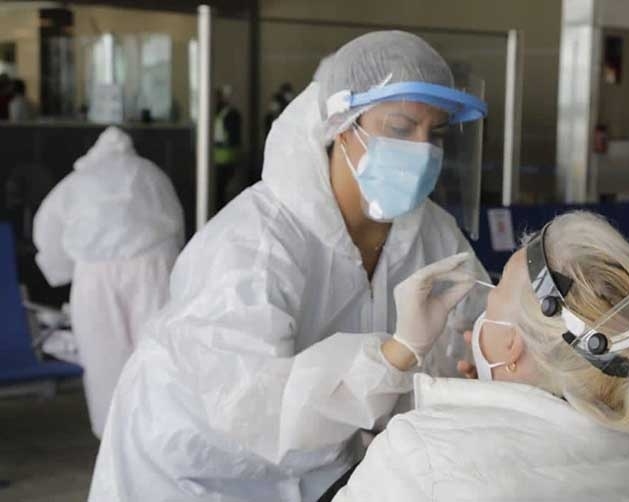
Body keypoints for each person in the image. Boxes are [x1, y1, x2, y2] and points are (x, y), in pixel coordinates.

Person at [88, 30, 489, 502]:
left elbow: (477, 325)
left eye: (435, 133)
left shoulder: (430, 231)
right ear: (343, 125)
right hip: (191, 469)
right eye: (401, 128)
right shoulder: (254, 242)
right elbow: (255, 412)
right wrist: (395, 355)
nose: (422, 150)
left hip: (318, 470)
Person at [334, 211, 629, 501]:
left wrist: (404, 362)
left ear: (510, 347)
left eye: (495, 293)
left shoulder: (421, 452)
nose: (483, 309)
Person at [33, 126, 185, 438]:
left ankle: (112, 437)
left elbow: (47, 228)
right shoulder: (151, 174)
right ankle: (160, 437)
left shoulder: (78, 181)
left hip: (96, 274)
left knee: (104, 358)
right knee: (157, 353)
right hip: (153, 267)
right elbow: (175, 221)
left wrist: (61, 269)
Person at [214, 84, 242, 208]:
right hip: (220, 157)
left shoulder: (230, 114)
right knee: (220, 189)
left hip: (226, 157)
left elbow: (233, 138)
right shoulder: (220, 113)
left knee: (222, 189)